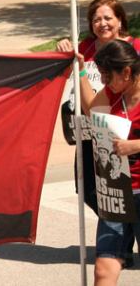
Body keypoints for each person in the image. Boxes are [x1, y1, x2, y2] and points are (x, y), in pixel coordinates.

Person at [57, 0, 140, 216]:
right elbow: (68, 65)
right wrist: (64, 46)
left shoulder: (136, 47)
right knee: (89, 190)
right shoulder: (84, 48)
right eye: (96, 19)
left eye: (107, 18)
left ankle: (121, 235)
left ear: (120, 20)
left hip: (125, 129)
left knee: (127, 189)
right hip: (89, 130)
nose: (102, 23)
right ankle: (120, 231)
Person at [76, 39, 140, 286]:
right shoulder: (114, 92)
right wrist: (81, 71)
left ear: (126, 71)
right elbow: (92, 111)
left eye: (107, 75)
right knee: (103, 270)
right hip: (116, 193)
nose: (103, 81)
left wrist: (135, 146)